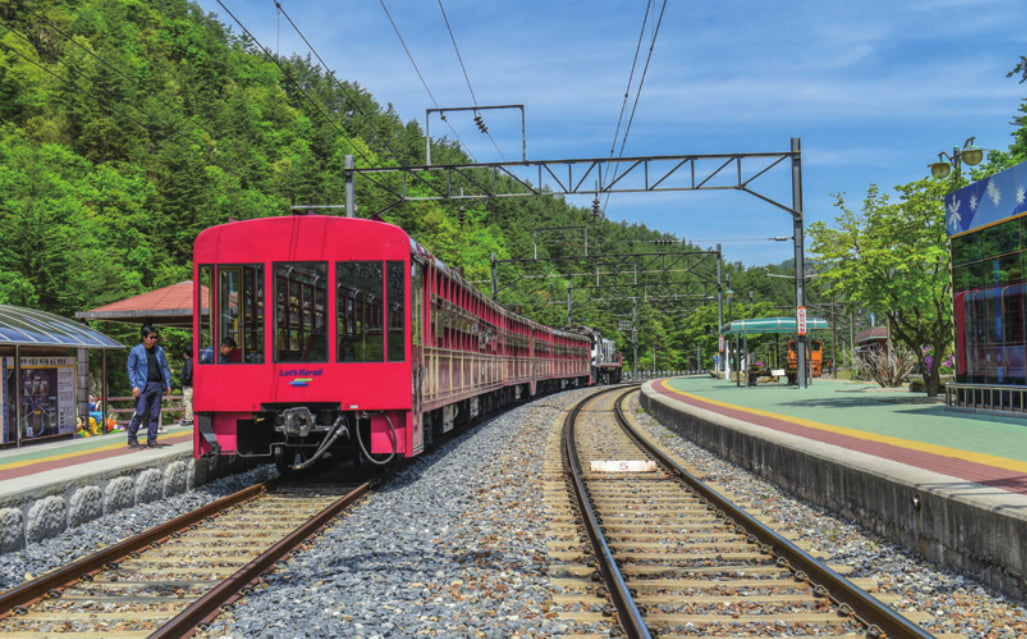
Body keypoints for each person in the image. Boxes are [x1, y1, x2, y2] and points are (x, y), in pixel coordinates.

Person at [126, 325, 173, 448]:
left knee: (155, 413)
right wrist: (134, 385)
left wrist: (168, 383)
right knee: (140, 412)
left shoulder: (159, 350)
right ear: (144, 338)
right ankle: (131, 437)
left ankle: (152, 439)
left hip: (157, 385)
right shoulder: (136, 351)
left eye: (156, 337)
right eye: (151, 337)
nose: (154, 340)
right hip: (143, 386)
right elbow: (131, 369)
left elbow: (164, 367)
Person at [180, 346, 193, 426]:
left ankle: (188, 418)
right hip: (194, 385)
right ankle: (193, 417)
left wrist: (184, 380)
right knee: (193, 402)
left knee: (187, 402)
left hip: (188, 386)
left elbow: (188, 373)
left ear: (185, 354)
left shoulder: (188, 362)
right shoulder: (195, 361)